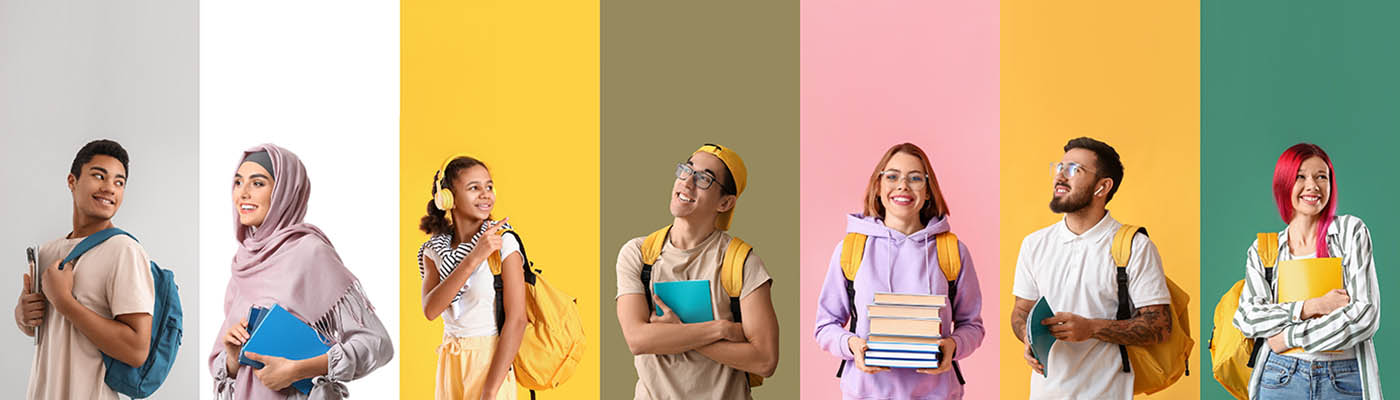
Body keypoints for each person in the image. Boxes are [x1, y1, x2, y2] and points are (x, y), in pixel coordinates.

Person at [209, 144, 393, 399]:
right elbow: (226, 367)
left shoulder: (311, 253)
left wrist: (298, 370)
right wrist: (232, 356)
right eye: (238, 183)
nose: (243, 194)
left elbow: (378, 344)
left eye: (258, 183)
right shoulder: (243, 264)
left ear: (285, 191)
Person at [813, 143, 985, 399]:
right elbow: (825, 326)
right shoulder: (851, 249)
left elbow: (972, 326)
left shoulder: (953, 251)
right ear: (879, 186)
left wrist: (953, 345)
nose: (903, 185)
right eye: (892, 176)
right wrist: (852, 346)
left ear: (928, 191)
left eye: (915, 178)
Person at [1009, 137, 1172, 399]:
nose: (1060, 176)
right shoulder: (1034, 244)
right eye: (1059, 167)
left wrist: (1091, 328)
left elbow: (1160, 326)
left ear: (1102, 187)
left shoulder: (1135, 246)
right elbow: (1021, 310)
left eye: (1074, 169)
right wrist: (1027, 338)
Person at [614, 144, 779, 399]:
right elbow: (637, 340)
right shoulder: (638, 253)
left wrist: (674, 331)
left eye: (704, 178)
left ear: (725, 203)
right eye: (685, 170)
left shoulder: (742, 262)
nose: (687, 182)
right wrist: (722, 329)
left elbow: (765, 361)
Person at [1232, 143, 1381, 400]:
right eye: (1300, 176)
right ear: (1284, 183)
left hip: (1344, 378)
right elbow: (1248, 318)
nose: (1312, 186)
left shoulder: (1350, 232)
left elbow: (1364, 315)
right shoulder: (1264, 249)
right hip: (1280, 376)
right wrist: (1312, 306)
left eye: (1321, 176)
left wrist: (1289, 336)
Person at [13, 139, 155, 399]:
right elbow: (44, 329)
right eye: (99, 176)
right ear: (72, 181)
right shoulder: (47, 252)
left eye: (119, 182)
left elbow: (136, 350)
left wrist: (65, 303)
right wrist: (23, 316)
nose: (109, 188)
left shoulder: (124, 251)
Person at [416, 155, 526, 400]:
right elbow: (431, 310)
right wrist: (473, 258)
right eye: (474, 188)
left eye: (488, 186)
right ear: (448, 198)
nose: (486, 194)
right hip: (450, 363)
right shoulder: (434, 250)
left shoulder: (503, 241)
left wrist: (489, 391)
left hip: (491, 363)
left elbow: (518, 320)